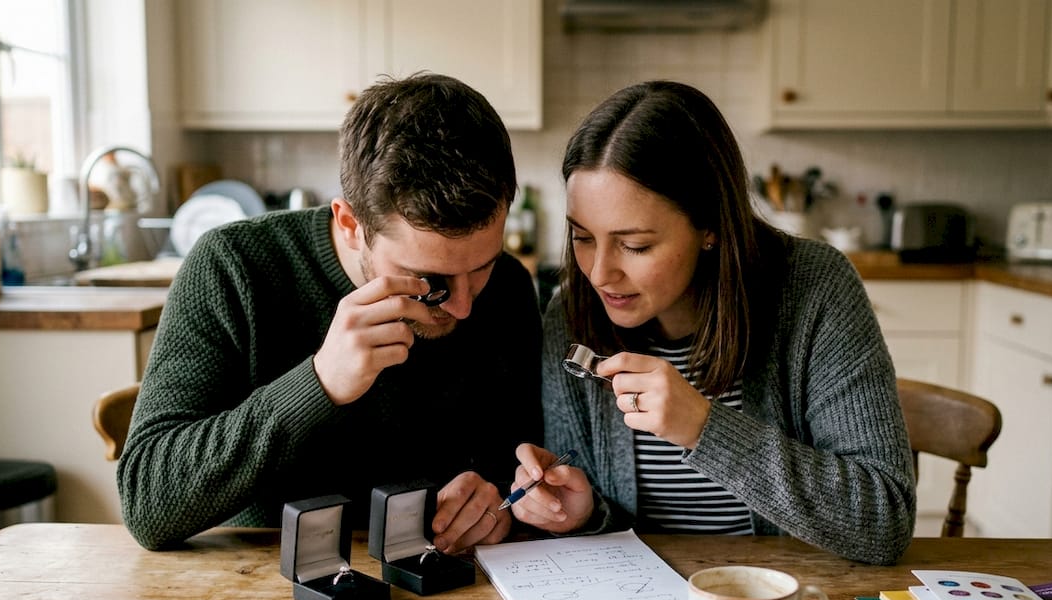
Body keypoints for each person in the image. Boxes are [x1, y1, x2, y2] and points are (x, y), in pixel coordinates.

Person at [118, 73, 543, 551]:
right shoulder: (233, 267)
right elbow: (147, 504)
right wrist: (318, 383)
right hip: (261, 597)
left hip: (446, 587)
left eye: (481, 267)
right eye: (432, 280)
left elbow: (515, 463)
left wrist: (501, 504)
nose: (463, 306)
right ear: (349, 225)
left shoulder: (508, 286)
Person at [509, 81, 915, 565]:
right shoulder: (572, 314)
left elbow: (884, 521)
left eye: (635, 245)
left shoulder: (813, 290)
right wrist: (582, 514)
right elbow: (607, 531)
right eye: (582, 237)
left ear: (710, 227)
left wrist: (703, 427)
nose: (599, 273)